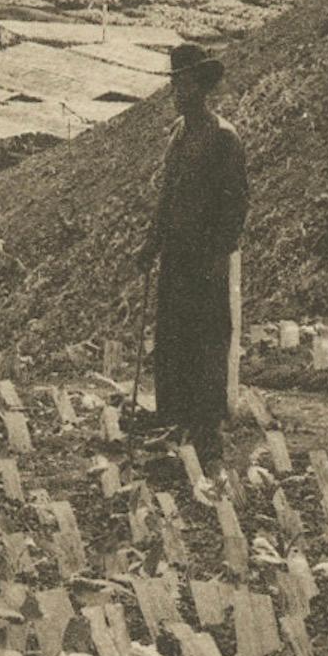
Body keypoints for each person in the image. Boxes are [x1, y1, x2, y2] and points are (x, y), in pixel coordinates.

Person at [138, 41, 248, 469]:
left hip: (206, 262)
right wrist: (151, 246)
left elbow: (235, 207)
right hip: (177, 259)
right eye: (174, 84)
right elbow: (166, 200)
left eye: (182, 84)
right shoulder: (180, 136)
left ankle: (207, 434)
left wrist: (217, 255)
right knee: (173, 340)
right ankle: (177, 423)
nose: (176, 92)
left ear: (201, 87)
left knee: (206, 342)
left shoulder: (223, 138)